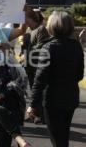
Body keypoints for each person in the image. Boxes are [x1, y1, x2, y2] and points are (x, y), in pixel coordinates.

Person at [26, 11, 84, 147]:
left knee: (57, 139)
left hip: (53, 100)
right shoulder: (76, 46)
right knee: (63, 135)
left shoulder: (48, 47)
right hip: (71, 97)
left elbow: (40, 79)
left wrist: (32, 104)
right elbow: (79, 75)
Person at [22, 6, 50, 124]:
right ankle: (34, 114)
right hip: (29, 65)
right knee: (33, 91)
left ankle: (41, 115)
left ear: (30, 18)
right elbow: (24, 47)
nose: (24, 21)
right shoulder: (28, 31)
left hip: (38, 66)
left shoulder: (41, 29)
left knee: (39, 91)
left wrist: (28, 52)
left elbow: (42, 46)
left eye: (25, 18)